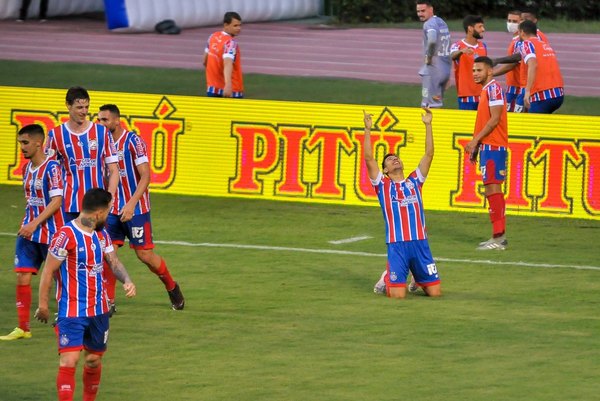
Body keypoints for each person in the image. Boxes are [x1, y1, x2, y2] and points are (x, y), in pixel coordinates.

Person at [35, 188, 136, 401]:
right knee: (69, 360)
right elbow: (48, 270)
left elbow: (114, 262)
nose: (108, 216)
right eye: (108, 212)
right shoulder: (66, 235)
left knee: (93, 360)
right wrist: (42, 305)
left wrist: (127, 280)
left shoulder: (102, 234)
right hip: (72, 310)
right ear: (98, 213)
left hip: (99, 310)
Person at [97, 104, 185, 310]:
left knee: (145, 256)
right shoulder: (100, 143)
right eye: (99, 119)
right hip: (112, 209)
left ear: (117, 121)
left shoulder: (133, 141)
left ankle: (172, 287)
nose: (101, 123)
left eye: (105, 120)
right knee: (107, 254)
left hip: (136, 209)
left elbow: (146, 176)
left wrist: (131, 204)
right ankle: (108, 303)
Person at [365, 108, 441, 298]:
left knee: (435, 293)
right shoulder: (383, 185)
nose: (395, 159)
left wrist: (428, 125)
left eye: (396, 158)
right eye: (390, 160)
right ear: (385, 170)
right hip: (397, 245)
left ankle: (417, 275)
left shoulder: (415, 180)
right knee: (397, 296)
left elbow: (429, 154)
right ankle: (387, 276)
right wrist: (368, 130)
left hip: (420, 243)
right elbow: (368, 158)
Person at [0, 124, 64, 341]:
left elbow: (57, 201)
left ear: (39, 143)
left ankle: (63, 324)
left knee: (59, 281)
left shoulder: (52, 168)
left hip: (51, 233)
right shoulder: (27, 169)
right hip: (29, 231)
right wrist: (29, 223)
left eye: (25, 143)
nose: (22, 148)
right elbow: (32, 201)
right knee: (22, 276)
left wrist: (35, 223)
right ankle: (23, 328)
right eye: (20, 143)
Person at [44, 86, 120, 223]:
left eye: (86, 107)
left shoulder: (102, 132)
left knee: (96, 244)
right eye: (79, 107)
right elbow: (47, 171)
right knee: (70, 244)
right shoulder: (55, 135)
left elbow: (114, 170)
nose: (84, 111)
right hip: (68, 205)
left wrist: (110, 198)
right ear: (68, 105)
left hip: (97, 205)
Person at [465, 56, 508, 250]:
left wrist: (475, 141)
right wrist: (478, 145)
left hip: (495, 145)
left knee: (494, 189)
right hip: (488, 146)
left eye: (479, 70)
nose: (475, 73)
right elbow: (485, 121)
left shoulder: (494, 89)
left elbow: (495, 119)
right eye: (474, 70)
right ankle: (497, 237)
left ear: (489, 71)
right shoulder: (485, 91)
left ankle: (498, 239)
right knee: (491, 190)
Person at [518, 20, 564, 113]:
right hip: (558, 94)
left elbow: (533, 64)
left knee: (532, 125)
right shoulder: (545, 45)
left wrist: (527, 91)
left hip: (541, 95)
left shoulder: (526, 43)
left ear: (522, 32)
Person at [416, 1, 451, 108]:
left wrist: (429, 57)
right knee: (438, 103)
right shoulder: (442, 22)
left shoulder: (429, 24)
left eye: (423, 11)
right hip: (444, 71)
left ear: (431, 9)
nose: (420, 14)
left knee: (427, 106)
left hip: (433, 72)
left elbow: (432, 40)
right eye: (418, 11)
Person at [203, 11, 244, 98]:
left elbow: (204, 61)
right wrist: (228, 85)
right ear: (226, 25)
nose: (238, 28)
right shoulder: (230, 43)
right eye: (235, 26)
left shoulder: (212, 37)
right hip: (232, 90)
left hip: (212, 88)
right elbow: (228, 63)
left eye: (240, 25)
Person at [450, 15, 487, 110]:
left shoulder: (483, 46)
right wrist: (461, 51)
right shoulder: (458, 46)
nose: (483, 29)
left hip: (483, 95)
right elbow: (452, 56)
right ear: (470, 29)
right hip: (467, 97)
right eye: (480, 27)